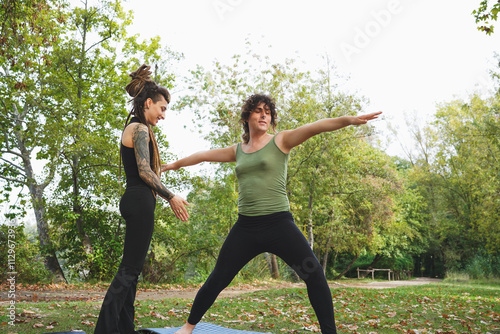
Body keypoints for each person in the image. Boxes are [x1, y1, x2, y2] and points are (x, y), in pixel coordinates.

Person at [165, 94, 381, 334]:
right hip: (245, 228)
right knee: (218, 278)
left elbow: (316, 127)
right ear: (247, 116)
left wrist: (348, 120)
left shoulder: (281, 141)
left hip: (279, 224)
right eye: (258, 110)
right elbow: (204, 155)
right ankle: (188, 327)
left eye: (267, 112)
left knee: (314, 275)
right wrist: (174, 165)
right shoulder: (238, 150)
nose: (264, 115)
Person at [94, 64, 189, 334]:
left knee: (132, 273)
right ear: (148, 103)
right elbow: (145, 171)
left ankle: (124, 328)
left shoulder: (133, 126)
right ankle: (104, 330)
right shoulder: (141, 129)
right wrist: (170, 196)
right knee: (128, 271)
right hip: (139, 199)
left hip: (133, 199)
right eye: (162, 108)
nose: (163, 115)